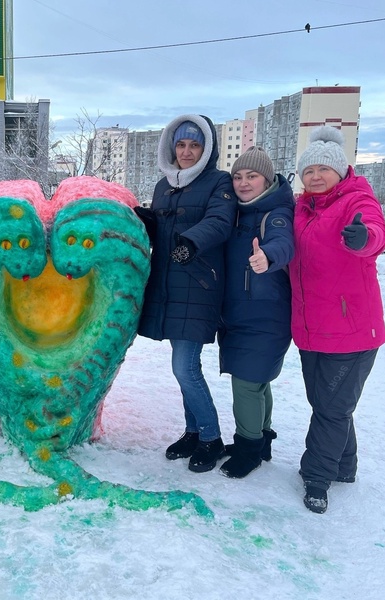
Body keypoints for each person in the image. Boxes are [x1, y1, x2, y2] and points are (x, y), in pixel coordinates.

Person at [291, 126, 385, 513]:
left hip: (351, 331)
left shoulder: (356, 199)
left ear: (340, 170)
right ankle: (345, 465)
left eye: (323, 169)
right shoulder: (302, 206)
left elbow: (378, 232)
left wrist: (364, 238)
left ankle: (317, 477)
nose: (315, 176)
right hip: (311, 327)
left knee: (331, 409)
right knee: (328, 403)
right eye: (308, 170)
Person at [137, 115, 236, 473]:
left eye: (195, 145)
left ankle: (211, 437)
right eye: (181, 144)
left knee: (185, 367)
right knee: (183, 366)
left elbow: (221, 221)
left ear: (206, 149)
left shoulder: (217, 181)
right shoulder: (165, 185)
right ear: (171, 146)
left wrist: (190, 242)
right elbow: (164, 227)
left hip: (198, 284)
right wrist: (147, 222)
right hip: (168, 286)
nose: (187, 152)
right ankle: (193, 431)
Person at [217, 147, 295, 478]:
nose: (243, 183)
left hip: (265, 317)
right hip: (239, 314)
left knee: (246, 384)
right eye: (238, 176)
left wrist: (268, 257)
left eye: (252, 176)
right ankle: (260, 441)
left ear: (267, 179)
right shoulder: (238, 212)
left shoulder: (274, 213)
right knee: (259, 383)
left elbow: (283, 241)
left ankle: (248, 448)